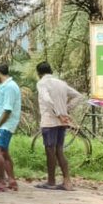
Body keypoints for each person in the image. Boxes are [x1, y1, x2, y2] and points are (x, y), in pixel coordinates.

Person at [36, 62, 84, 191]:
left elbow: (46, 99)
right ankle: (67, 181)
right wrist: (65, 110)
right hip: (62, 122)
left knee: (50, 150)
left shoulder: (42, 83)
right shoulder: (61, 83)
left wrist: (58, 113)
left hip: (49, 120)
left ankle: (51, 181)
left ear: (39, 73)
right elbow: (78, 96)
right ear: (51, 71)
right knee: (59, 150)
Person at [0, 63, 22, 192]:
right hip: (3, 124)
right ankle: (12, 180)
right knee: (4, 152)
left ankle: (1, 181)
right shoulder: (4, 86)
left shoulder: (9, 87)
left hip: (5, 125)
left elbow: (7, 110)